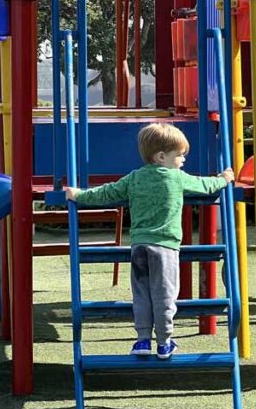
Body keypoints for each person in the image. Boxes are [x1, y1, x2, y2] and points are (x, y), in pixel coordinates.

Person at [66, 122, 234, 359]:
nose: (183, 160)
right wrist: (224, 178)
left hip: (139, 247)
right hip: (165, 248)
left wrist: (80, 194)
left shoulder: (134, 178)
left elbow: (108, 192)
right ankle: (164, 342)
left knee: (142, 294)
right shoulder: (176, 177)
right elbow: (205, 185)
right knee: (164, 294)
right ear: (162, 156)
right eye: (180, 155)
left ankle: (143, 340)